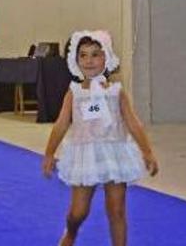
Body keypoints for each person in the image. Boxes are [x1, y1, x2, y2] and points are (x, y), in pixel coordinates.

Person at [42, 31, 158, 246]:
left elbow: (133, 122)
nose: (89, 60)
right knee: (78, 212)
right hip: (85, 155)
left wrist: (147, 151)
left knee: (117, 210)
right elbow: (61, 124)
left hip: (115, 154)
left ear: (106, 58)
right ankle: (71, 232)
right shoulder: (74, 92)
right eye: (83, 55)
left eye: (95, 54)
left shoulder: (116, 91)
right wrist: (49, 152)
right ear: (76, 61)